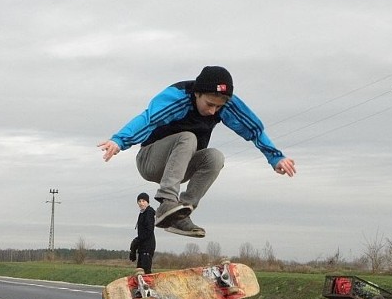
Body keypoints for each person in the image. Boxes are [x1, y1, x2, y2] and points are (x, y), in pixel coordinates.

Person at [98, 65, 296, 237]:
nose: (213, 111)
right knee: (188, 137)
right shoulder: (178, 97)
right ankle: (167, 201)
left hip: (181, 166)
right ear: (197, 93)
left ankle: (180, 215)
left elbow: (253, 129)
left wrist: (275, 157)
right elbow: (148, 119)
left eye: (219, 107)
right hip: (150, 160)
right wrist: (119, 141)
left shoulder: (225, 105)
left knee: (215, 157)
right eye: (209, 104)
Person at [129, 192, 156, 274]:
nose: (141, 203)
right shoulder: (142, 213)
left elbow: (149, 230)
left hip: (147, 245)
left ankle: (150, 286)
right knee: (139, 271)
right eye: (139, 201)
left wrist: (137, 241)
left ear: (148, 202)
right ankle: (141, 286)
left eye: (143, 201)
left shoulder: (149, 212)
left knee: (146, 271)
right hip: (142, 246)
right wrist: (134, 247)